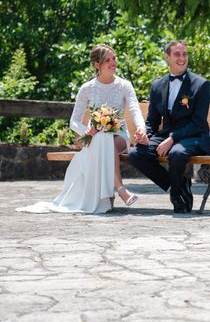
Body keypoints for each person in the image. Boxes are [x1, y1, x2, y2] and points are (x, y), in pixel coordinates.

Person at [17, 44, 145, 214]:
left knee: (107, 139)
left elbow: (135, 109)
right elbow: (74, 121)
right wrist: (87, 130)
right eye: (107, 60)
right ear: (97, 65)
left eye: (114, 58)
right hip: (96, 138)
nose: (113, 62)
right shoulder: (87, 88)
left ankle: (118, 190)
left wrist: (141, 128)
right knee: (102, 138)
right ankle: (114, 193)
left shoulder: (124, 85)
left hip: (120, 136)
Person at [127, 40, 210, 213]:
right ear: (168, 57)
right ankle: (179, 186)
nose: (182, 58)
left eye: (185, 54)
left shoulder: (201, 85)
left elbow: (198, 122)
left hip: (194, 136)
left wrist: (172, 138)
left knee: (176, 153)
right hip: (167, 135)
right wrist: (146, 134)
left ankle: (175, 195)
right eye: (177, 54)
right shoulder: (158, 85)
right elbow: (152, 120)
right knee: (135, 153)